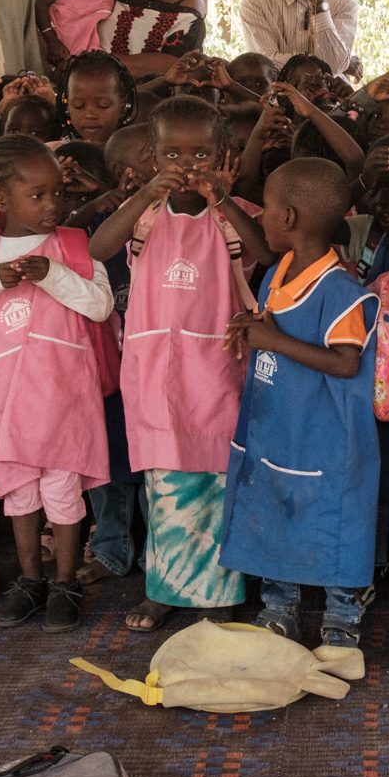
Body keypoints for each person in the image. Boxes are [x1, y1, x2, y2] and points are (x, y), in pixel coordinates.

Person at [90, 95, 267, 631]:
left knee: (215, 480)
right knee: (163, 484)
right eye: (171, 155)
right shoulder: (144, 217)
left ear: (222, 156)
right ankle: (164, 588)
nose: (186, 166)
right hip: (153, 373)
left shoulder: (233, 218)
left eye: (201, 154)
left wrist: (227, 200)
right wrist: (144, 193)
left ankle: (222, 590)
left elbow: (265, 249)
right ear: (151, 155)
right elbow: (99, 247)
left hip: (214, 370)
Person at [0, 135, 115, 633]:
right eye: (37, 195)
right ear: (1, 197)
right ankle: (30, 580)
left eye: (58, 193)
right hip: (7, 403)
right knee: (18, 494)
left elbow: (100, 307)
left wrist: (53, 274)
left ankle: (65, 582)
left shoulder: (74, 249)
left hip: (63, 402)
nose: (53, 204)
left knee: (62, 493)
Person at [220, 159, 381, 647]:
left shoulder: (341, 291)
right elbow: (272, 323)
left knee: (334, 520)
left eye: (266, 209)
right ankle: (279, 606)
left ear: (288, 218)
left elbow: (346, 363)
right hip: (279, 426)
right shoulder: (281, 272)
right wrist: (250, 326)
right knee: (274, 510)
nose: (262, 218)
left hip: (326, 436)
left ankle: (341, 617)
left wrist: (270, 340)